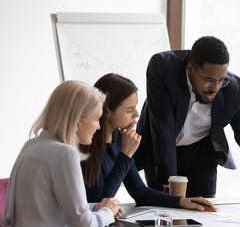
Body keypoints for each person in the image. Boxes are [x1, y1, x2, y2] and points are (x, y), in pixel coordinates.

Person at [134, 35, 240, 204]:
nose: (215, 88)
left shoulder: (236, 89)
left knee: (204, 213)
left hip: (202, 155)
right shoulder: (163, 67)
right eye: (208, 81)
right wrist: (170, 183)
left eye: (221, 81)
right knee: (163, 212)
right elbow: (163, 127)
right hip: (161, 151)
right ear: (190, 70)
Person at [3, 80, 121, 227]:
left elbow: (53, 208)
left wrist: (95, 207)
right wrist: (108, 213)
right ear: (78, 121)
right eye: (96, 119)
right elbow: (84, 226)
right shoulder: (65, 154)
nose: (99, 126)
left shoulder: (32, 145)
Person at [80, 73, 215, 211]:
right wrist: (125, 155)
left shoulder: (119, 138)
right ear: (107, 111)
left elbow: (140, 192)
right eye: (129, 110)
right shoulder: (86, 143)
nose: (137, 114)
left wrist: (182, 201)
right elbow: (99, 203)